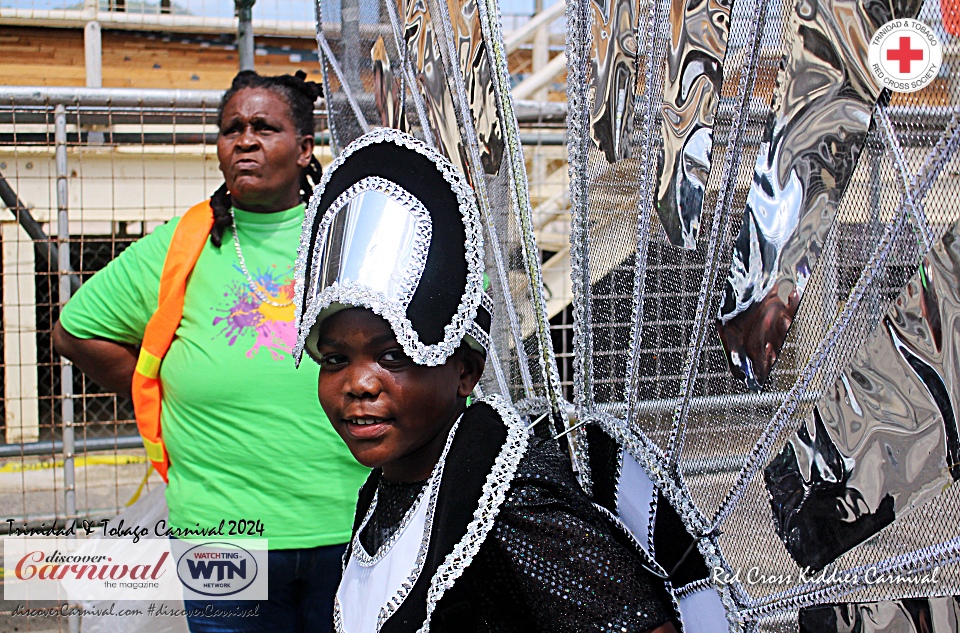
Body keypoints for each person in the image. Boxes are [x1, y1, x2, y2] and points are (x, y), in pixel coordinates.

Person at [293, 128, 680, 632]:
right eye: (334, 360)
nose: (359, 384)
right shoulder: (388, 486)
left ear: (466, 372)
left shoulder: (509, 499)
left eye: (393, 355)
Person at [52, 70, 370, 632]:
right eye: (231, 129)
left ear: (304, 149)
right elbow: (74, 330)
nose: (244, 139)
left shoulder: (354, 234)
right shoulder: (184, 243)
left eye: (264, 127)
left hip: (355, 523)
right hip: (223, 540)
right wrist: (163, 387)